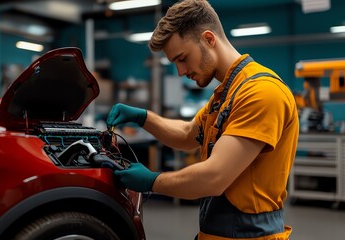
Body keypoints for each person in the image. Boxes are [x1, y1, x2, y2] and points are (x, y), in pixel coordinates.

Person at [107, 0, 299, 239]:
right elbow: (189, 134)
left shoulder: (261, 92)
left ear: (209, 39)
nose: (180, 72)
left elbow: (214, 177)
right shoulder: (226, 93)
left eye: (182, 58)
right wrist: (143, 117)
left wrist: (152, 181)